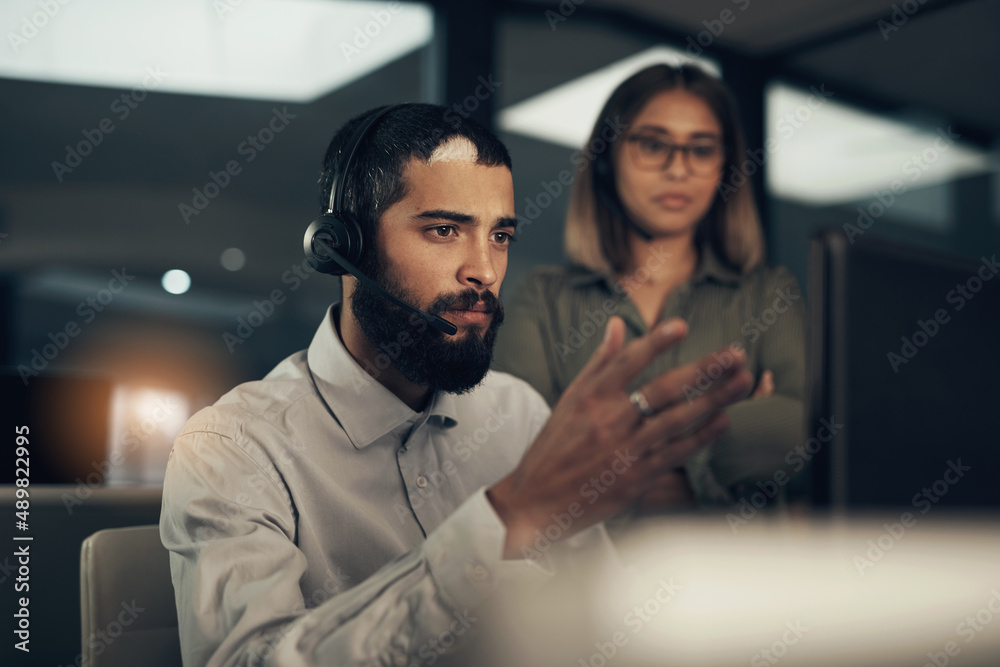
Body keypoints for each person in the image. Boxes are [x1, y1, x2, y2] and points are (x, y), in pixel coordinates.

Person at [159, 103, 753, 666]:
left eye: (500, 236)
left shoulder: (518, 413)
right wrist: (505, 517)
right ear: (345, 247)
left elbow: (606, 634)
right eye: (445, 230)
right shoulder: (232, 448)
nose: (486, 271)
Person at [493, 63, 806, 509]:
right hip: (579, 573)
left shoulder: (769, 293)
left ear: (725, 167)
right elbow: (519, 459)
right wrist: (729, 444)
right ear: (606, 157)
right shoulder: (542, 298)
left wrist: (627, 463)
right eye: (653, 144)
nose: (678, 168)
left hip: (732, 574)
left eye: (701, 149)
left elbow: (804, 435)